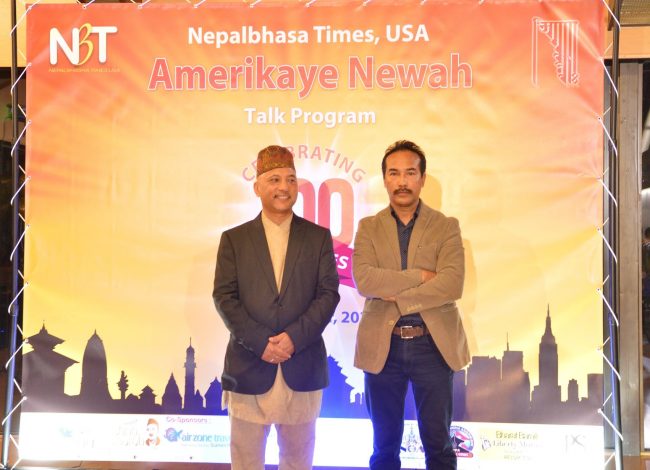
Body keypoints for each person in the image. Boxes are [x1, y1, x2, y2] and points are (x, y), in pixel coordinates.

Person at [213, 145, 340, 470]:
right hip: (249, 366)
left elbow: (328, 295)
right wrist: (261, 343)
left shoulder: (318, 238)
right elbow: (224, 297)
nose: (284, 187)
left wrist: (294, 339)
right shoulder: (234, 240)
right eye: (274, 179)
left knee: (298, 462)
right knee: (246, 462)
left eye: (290, 179)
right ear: (257, 187)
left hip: (302, 365)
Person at [352, 140, 470, 470]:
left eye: (410, 173)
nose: (402, 181)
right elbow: (365, 281)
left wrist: (399, 296)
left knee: (439, 445)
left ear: (422, 178)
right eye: (394, 173)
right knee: (384, 447)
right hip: (383, 346)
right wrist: (420, 276)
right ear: (384, 179)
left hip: (432, 345)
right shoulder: (368, 228)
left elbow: (452, 284)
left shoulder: (446, 226)